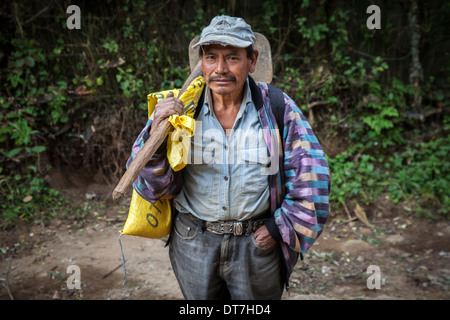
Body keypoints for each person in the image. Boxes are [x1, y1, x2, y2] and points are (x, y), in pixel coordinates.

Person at [127, 15, 331, 300]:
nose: (220, 69)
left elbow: (313, 179)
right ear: (201, 62)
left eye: (233, 57)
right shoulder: (180, 111)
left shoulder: (276, 108)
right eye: (211, 57)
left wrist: (276, 228)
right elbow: (154, 187)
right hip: (193, 243)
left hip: (256, 246)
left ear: (252, 61)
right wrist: (156, 137)